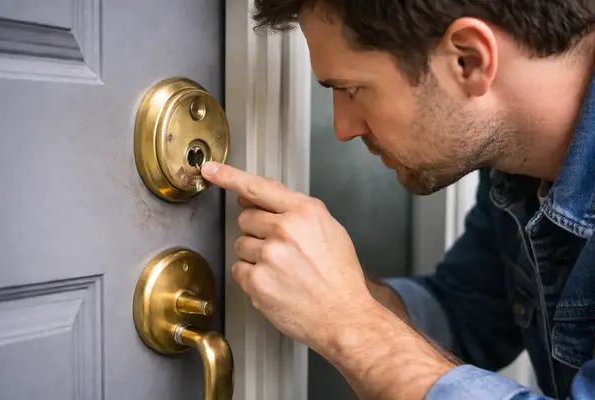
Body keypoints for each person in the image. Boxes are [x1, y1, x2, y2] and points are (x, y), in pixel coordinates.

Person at [201, 1, 595, 399]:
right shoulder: (516, 173)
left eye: (352, 89)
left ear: (468, 60)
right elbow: (467, 314)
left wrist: (353, 326)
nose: (343, 128)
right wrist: (332, 291)